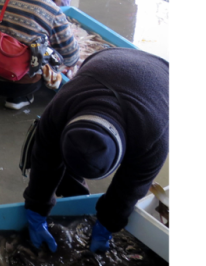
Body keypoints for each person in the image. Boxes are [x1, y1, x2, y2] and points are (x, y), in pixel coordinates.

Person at [23, 48, 168, 255]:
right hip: (107, 59)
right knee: (56, 158)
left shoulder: (153, 137)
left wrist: (108, 224)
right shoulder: (59, 109)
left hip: (164, 78)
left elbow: (130, 188)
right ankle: (74, 188)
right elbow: (44, 160)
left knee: (131, 183)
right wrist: (36, 209)